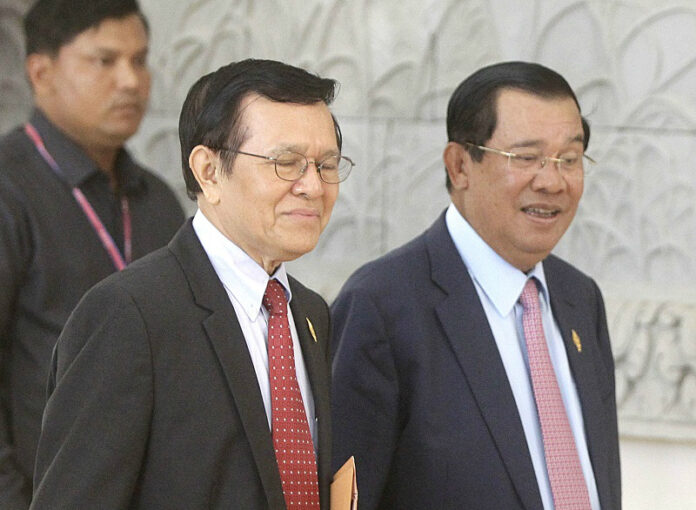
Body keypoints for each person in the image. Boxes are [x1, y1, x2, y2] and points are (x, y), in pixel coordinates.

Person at [30, 58, 352, 509]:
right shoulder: (129, 314)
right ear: (208, 171)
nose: (314, 187)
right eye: (287, 163)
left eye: (327, 165)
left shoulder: (309, 313)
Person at [331, 61, 621, 510]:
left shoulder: (580, 298)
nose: (552, 181)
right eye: (526, 158)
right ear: (460, 164)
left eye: (570, 159)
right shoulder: (383, 306)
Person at [0, 0, 184, 506]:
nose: (130, 81)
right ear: (41, 72)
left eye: (140, 60)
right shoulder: (9, 189)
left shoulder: (158, 200)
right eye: (104, 61)